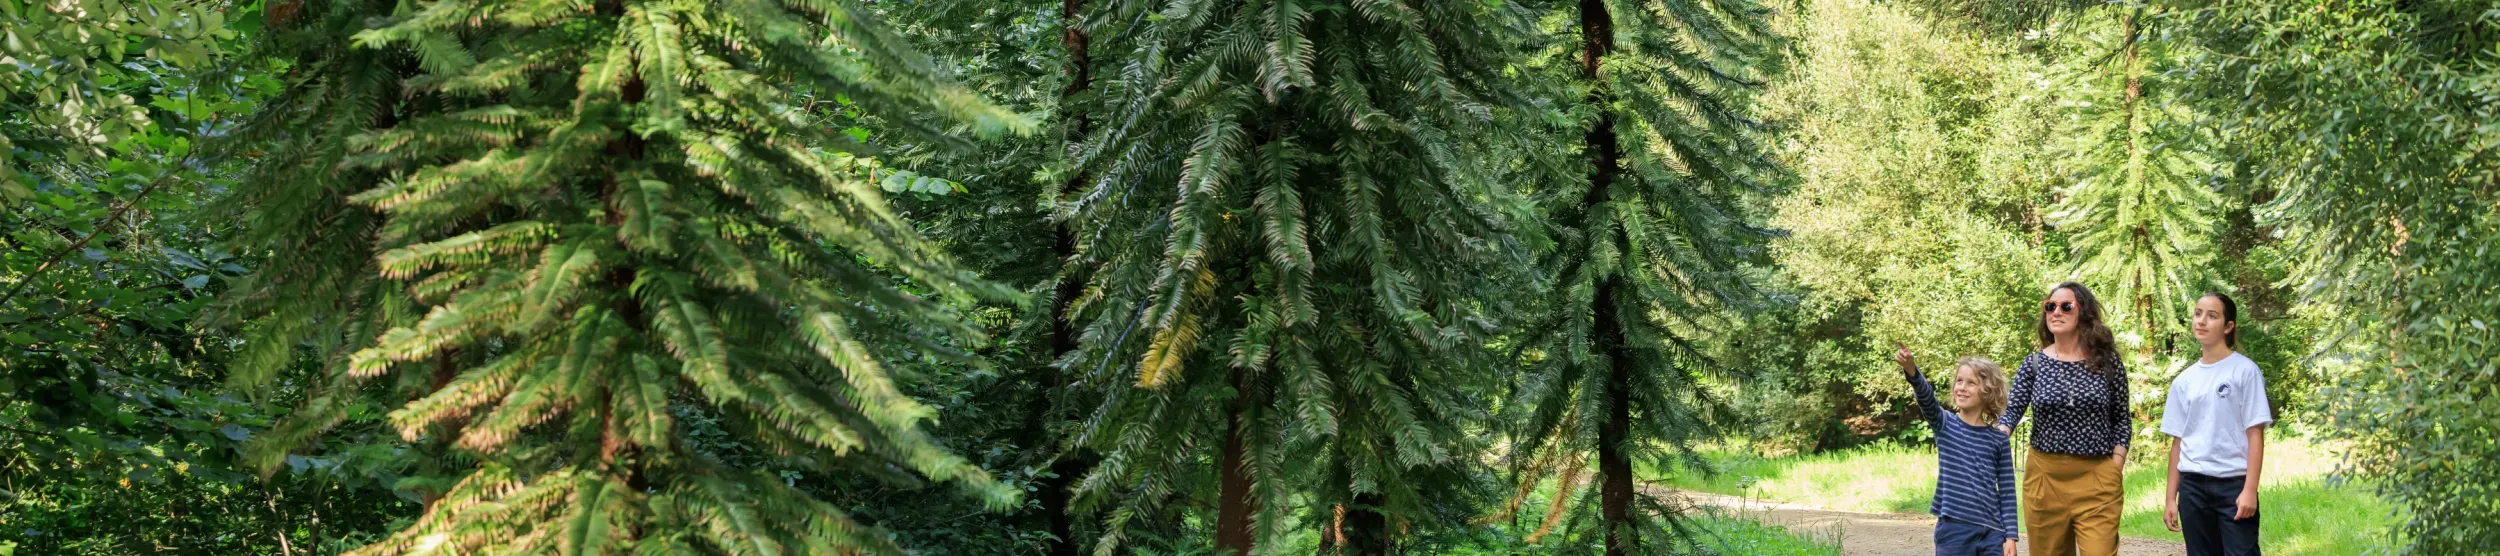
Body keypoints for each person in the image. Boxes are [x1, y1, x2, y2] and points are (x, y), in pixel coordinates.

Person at [1996, 282, 2131, 556]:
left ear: (2083, 313)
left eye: (2065, 306)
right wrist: (1995, 436)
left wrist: (2115, 465)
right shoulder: (2033, 364)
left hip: (2097, 479)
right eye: (2050, 306)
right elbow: (2011, 412)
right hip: (2045, 479)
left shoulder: (2108, 362)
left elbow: (2122, 419)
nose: (2056, 312)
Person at [2161, 292, 2272, 555]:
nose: (2202, 321)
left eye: (2212, 316)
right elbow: (2178, 442)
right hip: (2193, 488)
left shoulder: (2245, 371)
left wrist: (2250, 491)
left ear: (2228, 326)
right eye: (2198, 314)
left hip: (2233, 485)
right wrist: (2170, 499)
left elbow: (2255, 435)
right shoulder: (2183, 381)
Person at [1895, 345, 2019, 556]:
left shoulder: (1999, 439)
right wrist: (1912, 371)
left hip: (1992, 533)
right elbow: (1927, 400)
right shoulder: (1945, 424)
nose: (1962, 387)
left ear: (1988, 391)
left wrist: (2010, 537)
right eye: (1959, 381)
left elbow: (2007, 492)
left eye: (1971, 383)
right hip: (1954, 530)